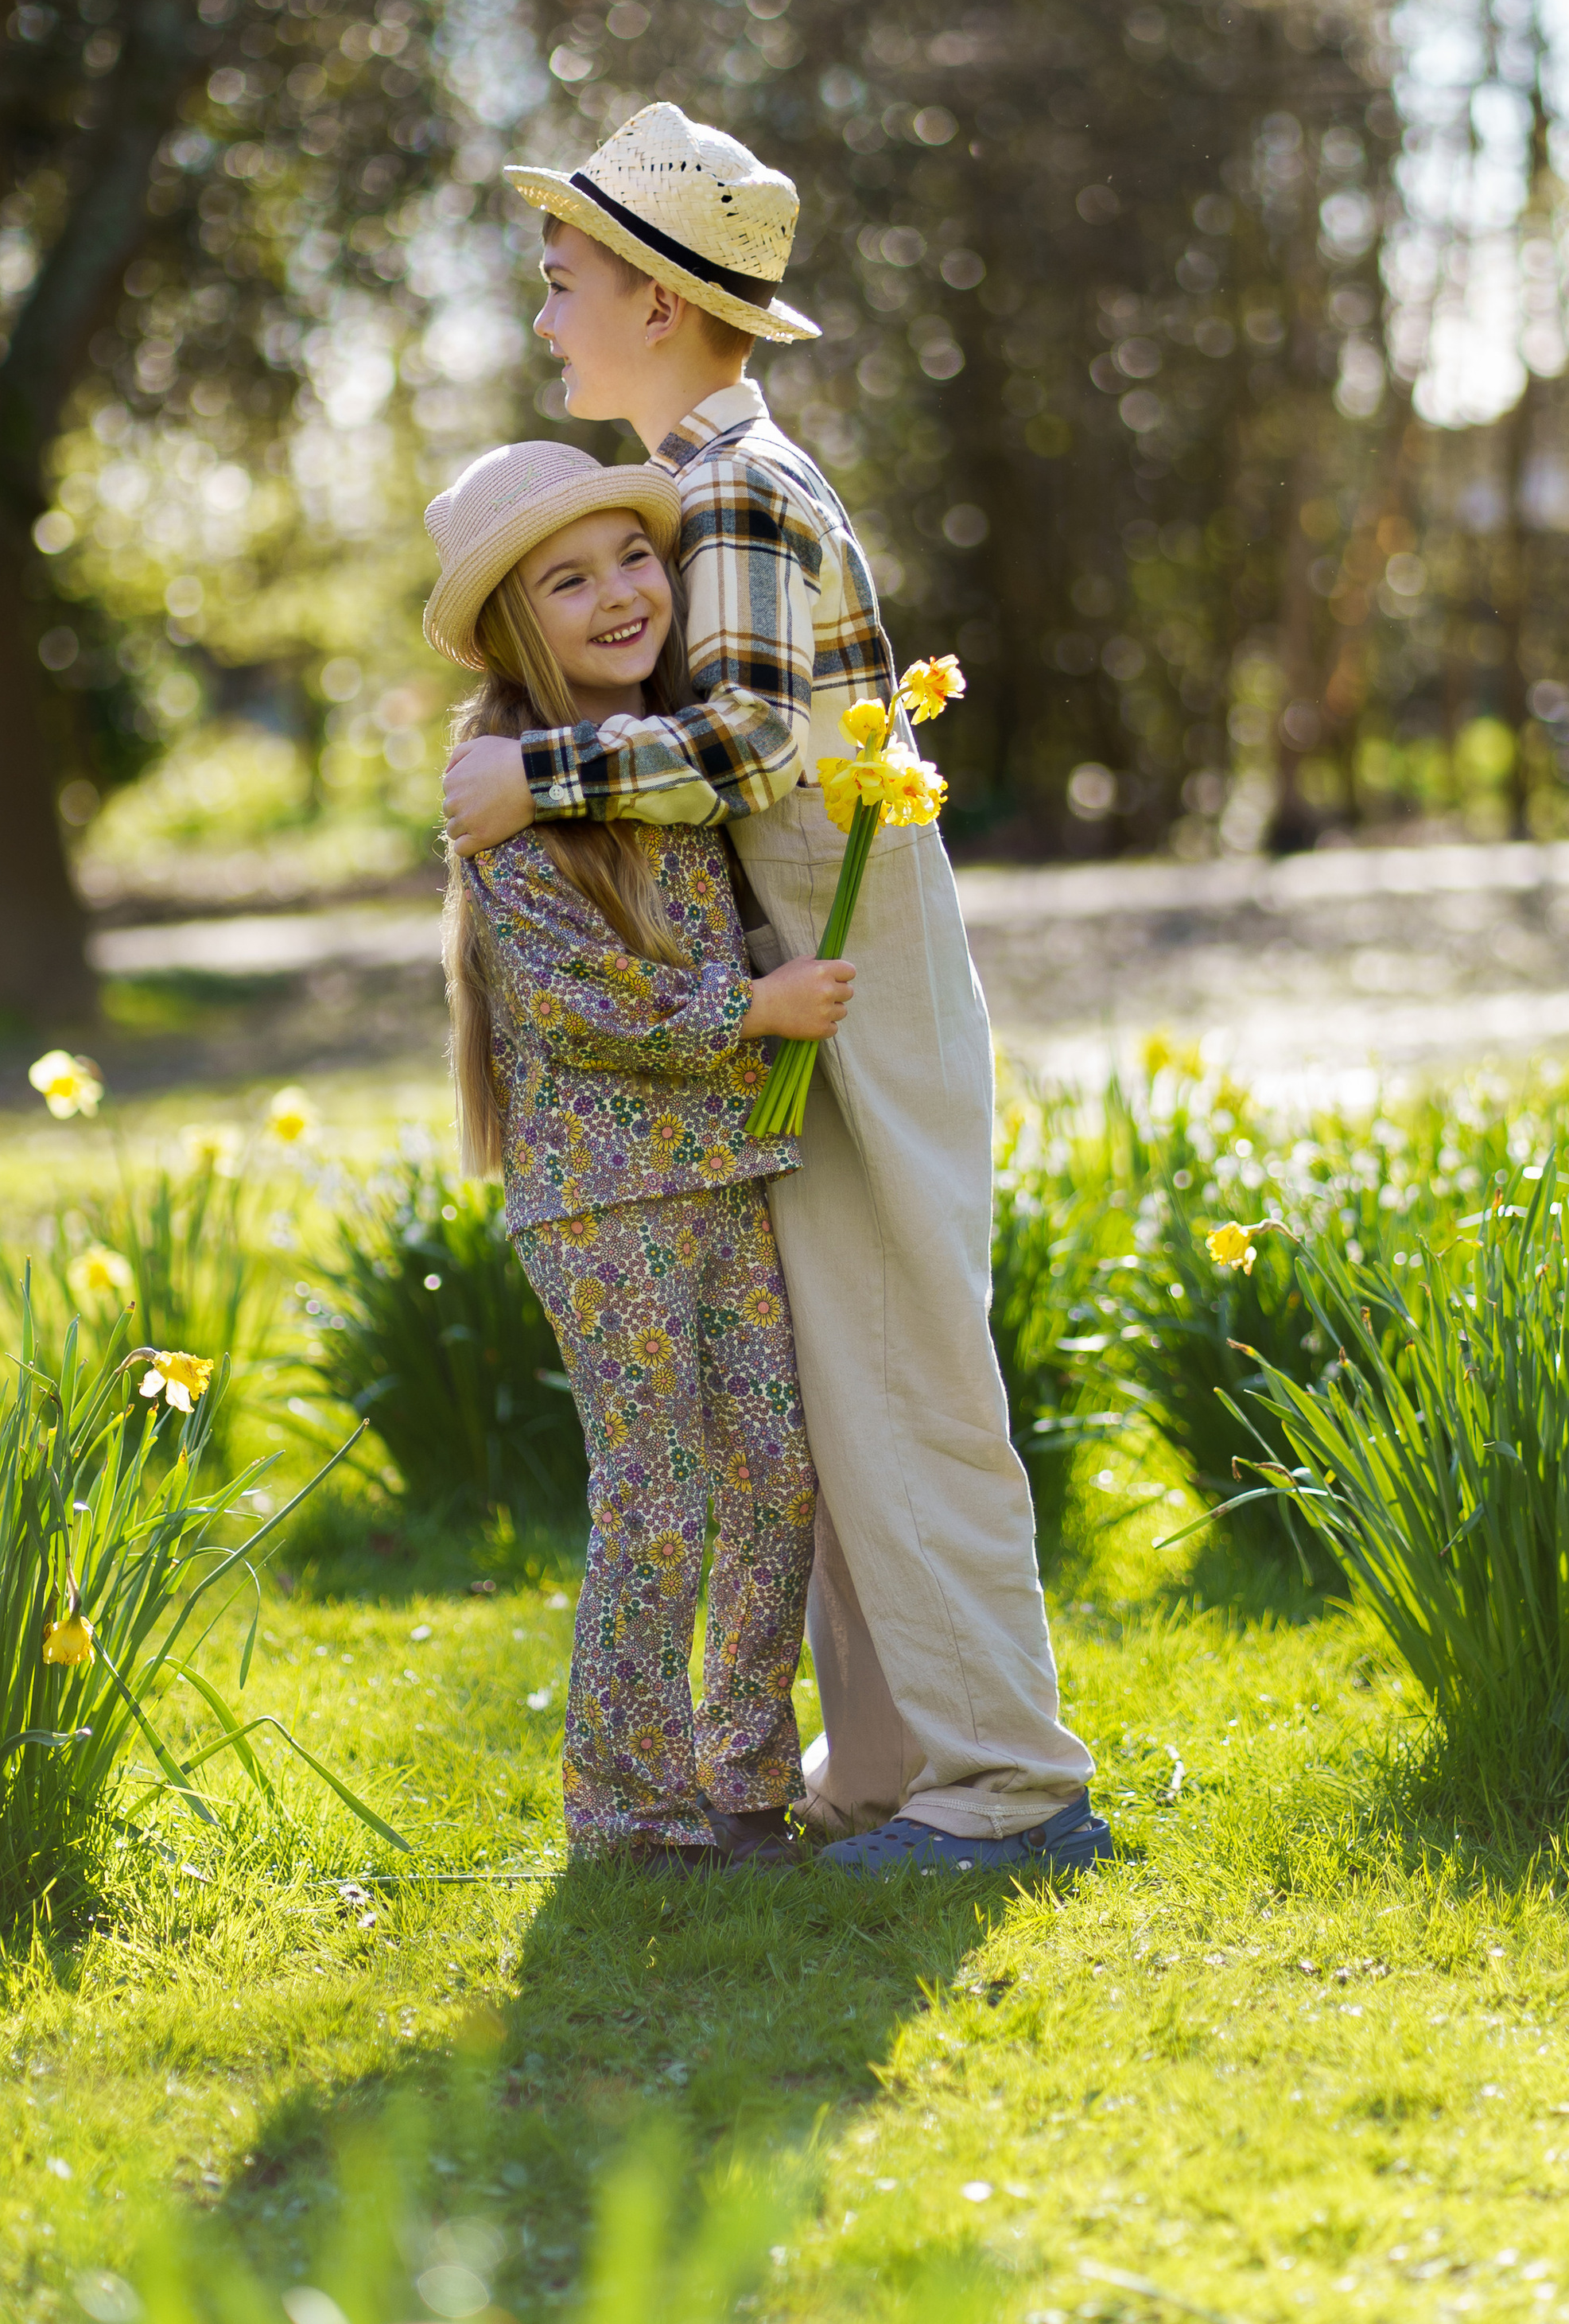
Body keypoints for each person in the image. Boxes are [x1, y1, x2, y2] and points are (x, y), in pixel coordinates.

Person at [442, 98, 1109, 1877]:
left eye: (564, 277)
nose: (545, 313)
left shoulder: (736, 481)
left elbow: (739, 739)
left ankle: (1010, 1779)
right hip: (810, 952)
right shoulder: (722, 477)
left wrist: (535, 783)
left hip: (844, 961)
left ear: (656, 300)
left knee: (897, 1368)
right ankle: (887, 1762)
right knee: (842, 1371)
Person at [425, 433, 855, 1872]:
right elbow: (574, 1000)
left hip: (723, 1169)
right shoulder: (503, 789)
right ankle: (629, 1807)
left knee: (777, 1475)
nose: (621, 593)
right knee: (658, 1495)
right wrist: (757, 1005)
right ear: (509, 626)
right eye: (570, 579)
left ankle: (745, 1778)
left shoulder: (663, 753)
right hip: (600, 1195)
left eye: (634, 558)